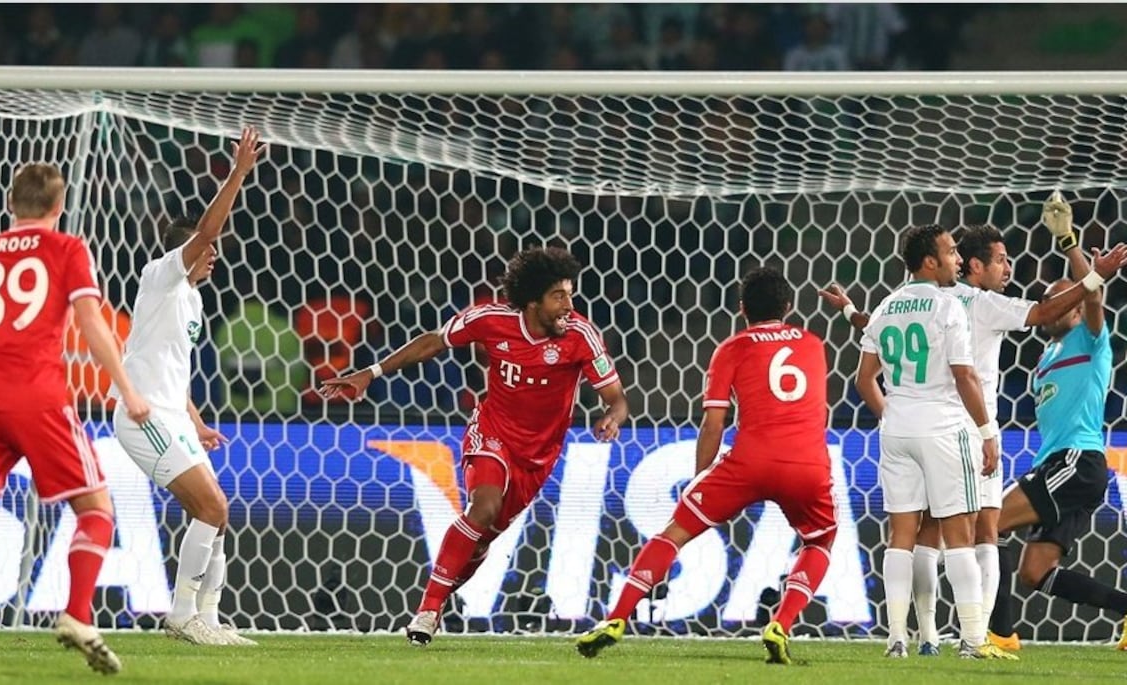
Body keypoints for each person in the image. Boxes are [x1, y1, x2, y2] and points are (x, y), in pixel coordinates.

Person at [819, 194, 1127, 654]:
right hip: (963, 433)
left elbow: (879, 330)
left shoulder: (912, 303)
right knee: (995, 546)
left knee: (925, 533)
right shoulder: (987, 311)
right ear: (972, 268)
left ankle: (932, 635)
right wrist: (1092, 272)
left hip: (924, 430)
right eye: (1000, 261)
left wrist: (851, 318)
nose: (1009, 269)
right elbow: (1045, 312)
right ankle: (976, 635)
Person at [320, 246, 629, 646]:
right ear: (532, 300)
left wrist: (612, 417)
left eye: (571, 294)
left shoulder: (581, 336)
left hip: (539, 455)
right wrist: (371, 373)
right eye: (559, 295)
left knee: (482, 540)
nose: (568, 305)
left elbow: (617, 399)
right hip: (492, 433)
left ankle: (439, 598)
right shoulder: (490, 319)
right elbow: (433, 341)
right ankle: (427, 610)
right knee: (482, 505)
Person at [0, 163, 152, 674]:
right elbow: (91, 324)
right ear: (58, 206)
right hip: (40, 399)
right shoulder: (67, 249)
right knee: (96, 508)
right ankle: (77, 614)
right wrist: (127, 389)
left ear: (10, 204)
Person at [575, 267, 836, 666]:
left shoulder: (732, 348)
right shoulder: (814, 344)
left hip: (749, 462)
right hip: (808, 463)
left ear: (742, 308)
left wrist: (701, 477)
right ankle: (780, 623)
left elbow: (714, 422)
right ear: (788, 306)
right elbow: (823, 411)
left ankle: (615, 619)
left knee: (672, 534)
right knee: (819, 542)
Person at [113, 127, 264, 646]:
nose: (214, 253)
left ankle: (208, 617)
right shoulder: (161, 276)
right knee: (214, 507)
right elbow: (205, 231)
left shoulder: (193, 301)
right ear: (187, 253)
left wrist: (196, 423)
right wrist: (239, 173)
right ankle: (181, 616)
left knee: (216, 515)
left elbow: (171, 366)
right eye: (208, 249)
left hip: (170, 414)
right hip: (142, 416)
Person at [854, 224, 1007, 659]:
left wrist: (895, 414)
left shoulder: (885, 307)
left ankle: (897, 638)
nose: (958, 259)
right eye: (951, 252)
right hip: (943, 428)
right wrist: (987, 433)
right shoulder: (947, 307)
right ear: (929, 261)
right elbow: (965, 376)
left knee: (901, 535)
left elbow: (864, 379)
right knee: (959, 534)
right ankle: (975, 640)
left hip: (897, 430)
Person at [991, 200, 1127, 648]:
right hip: (1060, 464)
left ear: (1074, 307)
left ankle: (999, 633)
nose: (1051, 302)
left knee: (986, 524)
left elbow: (1092, 294)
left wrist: (1070, 245)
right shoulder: (1044, 357)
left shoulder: (1091, 341)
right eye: (1047, 297)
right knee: (1034, 573)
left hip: (1076, 460)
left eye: (1059, 298)